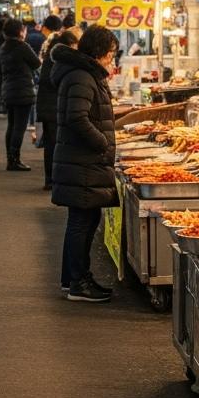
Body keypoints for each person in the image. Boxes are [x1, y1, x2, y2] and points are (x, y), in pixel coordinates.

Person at [50, 25, 119, 302]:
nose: (112, 60)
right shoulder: (82, 76)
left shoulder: (83, 73)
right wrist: (101, 141)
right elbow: (77, 118)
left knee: (83, 220)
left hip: (81, 161)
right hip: (83, 161)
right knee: (82, 221)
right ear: (100, 52)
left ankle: (72, 279)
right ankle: (79, 282)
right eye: (111, 54)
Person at [38, 29, 80, 191]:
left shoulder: (53, 55)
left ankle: (51, 179)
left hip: (48, 106)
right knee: (55, 145)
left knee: (51, 144)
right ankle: (53, 179)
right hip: (53, 107)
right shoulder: (60, 59)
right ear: (70, 44)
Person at [0, 19, 41, 172]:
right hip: (23, 90)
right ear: (20, 31)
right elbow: (37, 64)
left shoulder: (3, 48)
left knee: (11, 125)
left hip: (8, 89)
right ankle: (14, 159)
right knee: (19, 127)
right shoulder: (22, 46)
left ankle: (10, 158)